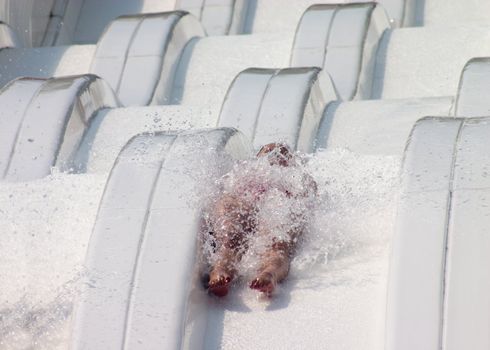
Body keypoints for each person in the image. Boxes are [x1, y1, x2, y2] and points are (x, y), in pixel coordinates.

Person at [203, 143, 317, 297]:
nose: (276, 156)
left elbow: (306, 200)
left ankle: (269, 274)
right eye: (269, 153)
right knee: (231, 240)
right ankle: (221, 269)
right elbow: (227, 193)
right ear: (258, 159)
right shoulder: (244, 173)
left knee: (276, 246)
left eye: (283, 155)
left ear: (291, 163)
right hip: (246, 204)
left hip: (276, 205)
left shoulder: (298, 179)